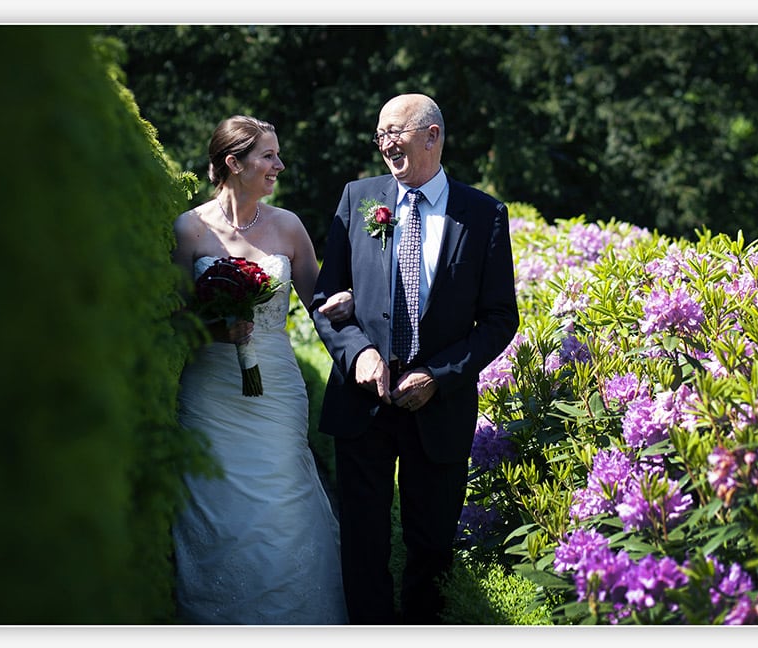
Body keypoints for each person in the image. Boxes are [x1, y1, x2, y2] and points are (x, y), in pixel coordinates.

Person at [311, 93, 520, 624]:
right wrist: (357, 354)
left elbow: (500, 319)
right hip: (363, 404)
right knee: (363, 542)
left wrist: (440, 375)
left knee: (430, 548)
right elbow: (325, 299)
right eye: (379, 134)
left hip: (439, 409)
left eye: (395, 131)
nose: (385, 143)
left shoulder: (484, 214)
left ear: (433, 136)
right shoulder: (358, 198)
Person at [171, 115, 352, 624]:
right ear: (234, 163)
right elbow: (175, 318)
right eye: (268, 156)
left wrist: (351, 303)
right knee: (216, 507)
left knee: (283, 505)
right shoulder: (189, 228)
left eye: (277, 155)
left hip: (274, 390)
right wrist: (213, 331)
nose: (279, 165)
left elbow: (322, 304)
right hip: (210, 392)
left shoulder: (288, 226)